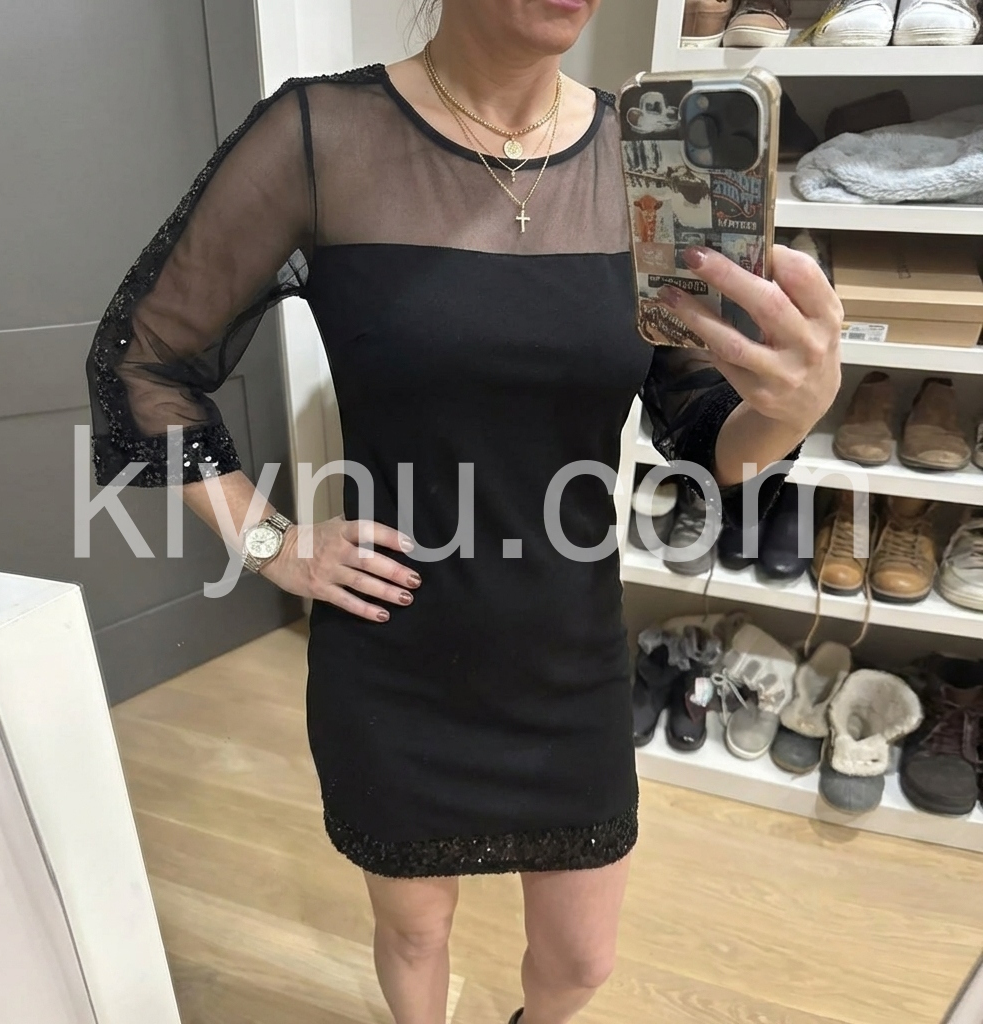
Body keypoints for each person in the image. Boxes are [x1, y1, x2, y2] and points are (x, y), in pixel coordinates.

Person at [85, 1, 841, 1021]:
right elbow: (140, 360)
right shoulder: (323, 138)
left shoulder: (646, 162)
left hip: (567, 650)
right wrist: (271, 543)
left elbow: (702, 433)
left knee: (580, 962)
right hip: (393, 645)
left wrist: (788, 413)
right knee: (413, 931)